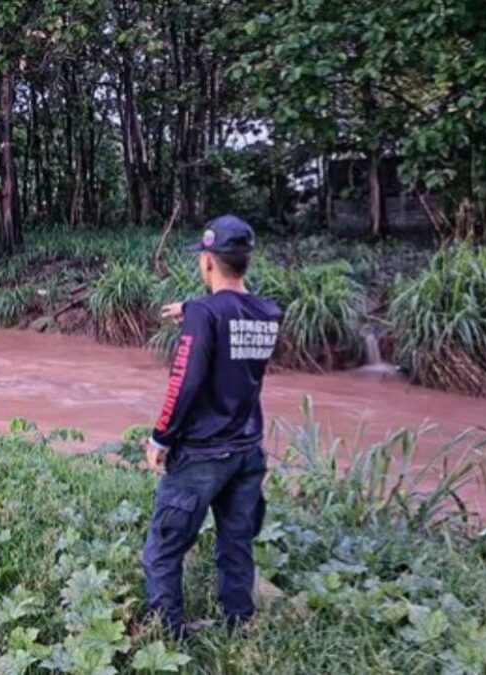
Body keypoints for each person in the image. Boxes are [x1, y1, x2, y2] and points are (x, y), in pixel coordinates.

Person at [142, 213, 283, 638]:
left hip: (202, 453)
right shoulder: (269, 313)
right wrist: (190, 309)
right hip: (247, 450)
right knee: (236, 542)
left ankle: (167, 636)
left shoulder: (205, 315)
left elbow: (184, 383)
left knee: (164, 548)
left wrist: (159, 437)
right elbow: (235, 316)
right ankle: (237, 623)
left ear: (207, 261)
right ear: (245, 261)